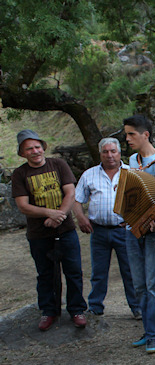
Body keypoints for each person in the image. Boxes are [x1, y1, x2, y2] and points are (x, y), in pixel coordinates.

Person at [12, 129, 87, 331]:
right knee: (45, 274)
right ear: (22, 153)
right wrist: (49, 213)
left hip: (66, 231)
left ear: (43, 147)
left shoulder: (58, 164)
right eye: (29, 149)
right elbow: (23, 206)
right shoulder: (20, 174)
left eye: (37, 146)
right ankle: (49, 311)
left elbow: (70, 192)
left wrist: (59, 215)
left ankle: (77, 310)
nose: (35, 151)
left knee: (73, 271)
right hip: (39, 234)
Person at [123, 114, 155, 353]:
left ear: (146, 134)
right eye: (126, 135)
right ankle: (151, 330)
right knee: (139, 285)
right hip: (132, 230)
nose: (127, 139)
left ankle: (154, 333)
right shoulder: (131, 161)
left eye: (131, 134)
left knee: (154, 285)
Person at [73, 137, 139, 318]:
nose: (109, 156)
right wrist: (81, 218)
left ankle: (137, 307)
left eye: (113, 151)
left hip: (124, 230)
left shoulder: (131, 173)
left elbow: (143, 198)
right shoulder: (89, 175)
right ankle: (95, 306)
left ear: (119, 153)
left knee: (130, 271)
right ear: (100, 153)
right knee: (98, 271)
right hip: (99, 231)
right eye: (105, 152)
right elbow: (77, 200)